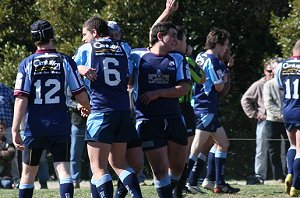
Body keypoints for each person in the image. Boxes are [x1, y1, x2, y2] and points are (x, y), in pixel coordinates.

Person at [11, 19, 90, 198]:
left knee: (28, 173)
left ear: (34, 40)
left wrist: (15, 129)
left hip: (35, 127)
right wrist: (87, 107)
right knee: (63, 169)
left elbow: (21, 99)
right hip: (60, 125)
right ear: (51, 36)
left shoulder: (27, 63)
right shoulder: (65, 61)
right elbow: (81, 94)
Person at [74, 16, 143, 198]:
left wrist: (79, 68)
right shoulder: (123, 47)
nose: (83, 38)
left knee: (98, 168)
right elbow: (129, 74)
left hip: (100, 112)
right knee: (120, 164)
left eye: (85, 34)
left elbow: (69, 69)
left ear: (95, 33)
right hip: (122, 111)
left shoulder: (87, 49)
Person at [148, 1, 206, 197]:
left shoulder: (184, 60)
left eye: (181, 39)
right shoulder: (160, 54)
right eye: (184, 40)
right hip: (165, 110)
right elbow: (153, 32)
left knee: (182, 158)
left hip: (183, 110)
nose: (184, 43)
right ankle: (172, 190)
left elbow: (202, 78)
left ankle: (177, 190)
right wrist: (167, 12)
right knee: (162, 160)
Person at [130, 21, 191, 198]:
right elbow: (126, 78)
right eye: (172, 35)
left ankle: (168, 192)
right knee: (160, 169)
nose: (176, 39)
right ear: (159, 36)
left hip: (174, 118)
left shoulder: (178, 58)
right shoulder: (137, 56)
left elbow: (184, 88)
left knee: (178, 167)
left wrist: (159, 93)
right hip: (148, 119)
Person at [186, 28, 239, 194]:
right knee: (196, 147)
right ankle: (186, 182)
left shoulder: (200, 56)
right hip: (205, 108)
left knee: (223, 144)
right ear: (218, 44)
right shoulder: (214, 61)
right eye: (226, 45)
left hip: (202, 106)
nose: (226, 49)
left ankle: (217, 182)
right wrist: (227, 71)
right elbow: (220, 88)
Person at [106, 20, 145, 198]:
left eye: (118, 35)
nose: (116, 39)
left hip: (125, 112)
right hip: (106, 111)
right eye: (112, 35)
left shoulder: (125, 48)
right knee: (103, 166)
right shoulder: (95, 50)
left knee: (135, 164)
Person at [241, 60, 274, 184]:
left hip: (279, 120)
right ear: (264, 71)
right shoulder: (259, 84)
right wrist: (255, 114)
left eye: (274, 71)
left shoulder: (280, 83)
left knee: (282, 149)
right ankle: (259, 176)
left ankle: (284, 175)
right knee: (261, 149)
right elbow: (245, 99)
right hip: (265, 121)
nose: (272, 74)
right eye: (269, 71)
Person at [276, 39, 300, 197]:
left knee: (292, 145)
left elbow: (280, 86)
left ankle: (290, 173)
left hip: (287, 109)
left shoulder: (281, 65)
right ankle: (296, 186)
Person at [263, 57, 288, 183]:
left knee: (291, 147)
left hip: (288, 120)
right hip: (272, 121)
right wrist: (282, 115)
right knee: (274, 150)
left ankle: (291, 173)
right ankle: (278, 176)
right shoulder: (268, 85)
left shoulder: (289, 82)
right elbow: (268, 104)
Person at [0, 82, 19, 183]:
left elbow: (17, 105)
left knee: (13, 155)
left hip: (7, 127)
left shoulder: (7, 91)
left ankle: (15, 178)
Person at [0, 121, 16, 189]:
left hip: (5, 176)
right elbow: (7, 153)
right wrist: (4, 153)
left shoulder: (8, 142)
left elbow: (11, 154)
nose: (0, 130)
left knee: (7, 185)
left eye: (2, 128)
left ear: (4, 130)